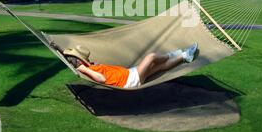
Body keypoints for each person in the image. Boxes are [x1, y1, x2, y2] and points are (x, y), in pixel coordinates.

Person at [50, 42, 198, 89]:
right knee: (151, 57)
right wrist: (81, 68)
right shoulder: (86, 69)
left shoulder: (89, 65)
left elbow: (66, 55)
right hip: (129, 80)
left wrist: (56, 46)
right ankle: (178, 53)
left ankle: (185, 57)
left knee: (159, 67)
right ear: (79, 62)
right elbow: (101, 79)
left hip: (130, 73)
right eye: (77, 60)